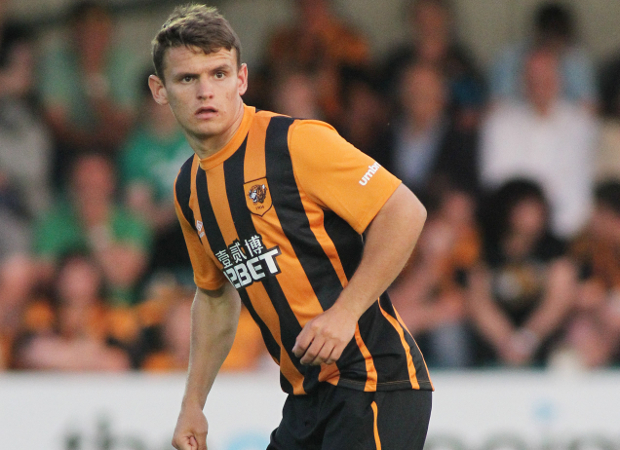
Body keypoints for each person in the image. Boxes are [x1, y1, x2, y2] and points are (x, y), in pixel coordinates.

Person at [147, 5, 432, 450]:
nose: (206, 91)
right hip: (305, 399)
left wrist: (345, 313)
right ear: (160, 91)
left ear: (241, 79)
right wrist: (193, 403)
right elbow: (215, 297)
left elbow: (405, 211)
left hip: (373, 380)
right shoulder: (189, 188)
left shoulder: (295, 143)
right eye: (187, 78)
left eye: (219, 74)